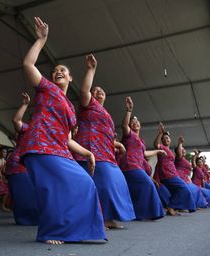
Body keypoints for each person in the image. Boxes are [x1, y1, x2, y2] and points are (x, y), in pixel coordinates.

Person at [20, 17, 106, 244]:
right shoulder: (46, 88)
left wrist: (88, 153)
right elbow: (28, 65)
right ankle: (51, 232)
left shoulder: (70, 107)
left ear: (69, 77)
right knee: (54, 191)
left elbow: (67, 139)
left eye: (63, 71)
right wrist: (42, 40)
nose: (58, 72)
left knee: (85, 183)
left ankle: (74, 230)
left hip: (59, 150)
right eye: (55, 70)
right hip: (40, 147)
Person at [74, 54, 135, 229]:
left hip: (107, 152)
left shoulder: (105, 113)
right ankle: (101, 218)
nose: (99, 92)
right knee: (105, 182)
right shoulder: (89, 104)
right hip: (90, 149)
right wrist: (91, 69)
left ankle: (108, 217)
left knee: (117, 181)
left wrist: (118, 144)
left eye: (102, 91)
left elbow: (107, 134)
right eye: (96, 90)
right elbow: (84, 91)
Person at [120, 97, 165, 220]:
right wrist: (129, 111)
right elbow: (124, 126)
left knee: (141, 188)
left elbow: (144, 154)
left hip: (137, 166)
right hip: (130, 165)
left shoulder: (141, 140)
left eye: (137, 121)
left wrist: (158, 151)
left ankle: (139, 213)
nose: (135, 123)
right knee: (148, 184)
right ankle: (149, 213)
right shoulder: (129, 135)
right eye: (132, 122)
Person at [6, 92, 39, 225]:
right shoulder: (28, 128)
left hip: (31, 165)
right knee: (23, 193)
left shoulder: (44, 132)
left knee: (30, 192)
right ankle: (26, 219)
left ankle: (30, 218)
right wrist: (25, 104)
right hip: (19, 163)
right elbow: (16, 121)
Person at [153, 122, 196, 214]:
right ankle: (171, 207)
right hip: (166, 173)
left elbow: (179, 154)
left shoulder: (170, 152)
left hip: (172, 173)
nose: (166, 139)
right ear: (162, 140)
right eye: (164, 138)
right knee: (183, 188)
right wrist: (160, 133)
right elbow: (156, 144)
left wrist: (179, 143)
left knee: (177, 191)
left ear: (170, 140)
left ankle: (174, 207)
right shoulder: (162, 148)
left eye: (167, 138)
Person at [175, 140, 208, 208]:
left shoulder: (185, 160)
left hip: (186, 179)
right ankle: (184, 206)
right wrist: (180, 143)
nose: (184, 150)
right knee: (194, 190)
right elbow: (194, 161)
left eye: (184, 149)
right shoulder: (179, 158)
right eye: (182, 149)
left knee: (196, 190)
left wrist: (196, 155)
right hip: (181, 178)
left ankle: (195, 205)